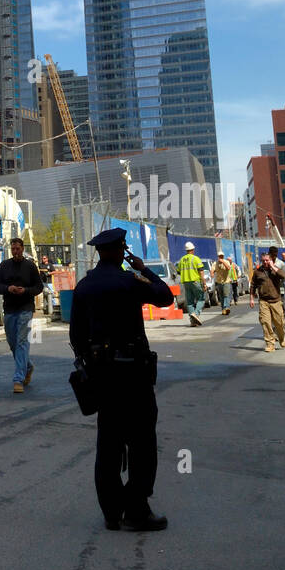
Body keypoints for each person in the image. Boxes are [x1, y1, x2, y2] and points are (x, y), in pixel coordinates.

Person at [69, 227, 173, 532]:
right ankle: (137, 510)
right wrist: (144, 269)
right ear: (120, 251)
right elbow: (165, 297)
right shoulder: (130, 281)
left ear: (99, 253)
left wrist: (93, 364)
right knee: (141, 440)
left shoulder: (85, 286)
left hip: (103, 376)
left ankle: (112, 512)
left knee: (109, 442)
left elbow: (76, 336)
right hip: (134, 376)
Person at [0, 237, 43, 393]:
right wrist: (8, 289)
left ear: (22, 249)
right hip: (9, 309)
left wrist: (25, 291)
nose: (15, 252)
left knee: (22, 341)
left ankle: (18, 379)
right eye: (13, 249)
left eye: (18, 249)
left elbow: (39, 286)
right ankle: (28, 366)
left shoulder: (30, 266)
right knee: (12, 343)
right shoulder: (4, 266)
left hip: (25, 308)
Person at [250, 254, 285, 352]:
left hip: (276, 301)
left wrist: (273, 266)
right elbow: (253, 285)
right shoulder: (257, 272)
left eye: (267, 260)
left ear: (270, 260)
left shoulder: (275, 269)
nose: (265, 262)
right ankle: (270, 344)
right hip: (263, 301)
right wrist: (251, 298)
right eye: (263, 260)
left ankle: (281, 337)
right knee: (265, 322)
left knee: (279, 323)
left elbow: (284, 276)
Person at [175, 242, 206, 326]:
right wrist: (204, 283)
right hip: (195, 281)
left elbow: (178, 272)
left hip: (186, 283)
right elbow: (201, 271)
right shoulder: (195, 259)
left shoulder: (182, 260)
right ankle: (195, 314)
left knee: (190, 302)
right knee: (201, 298)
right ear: (193, 250)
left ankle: (192, 322)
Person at [212, 251, 232, 315]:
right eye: (219, 256)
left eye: (222, 256)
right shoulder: (215, 263)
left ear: (223, 256)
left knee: (226, 295)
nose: (220, 257)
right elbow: (212, 270)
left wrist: (223, 262)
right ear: (218, 257)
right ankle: (223, 309)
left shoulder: (227, 262)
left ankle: (227, 307)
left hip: (226, 281)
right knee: (221, 296)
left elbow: (228, 268)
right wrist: (212, 273)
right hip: (219, 282)